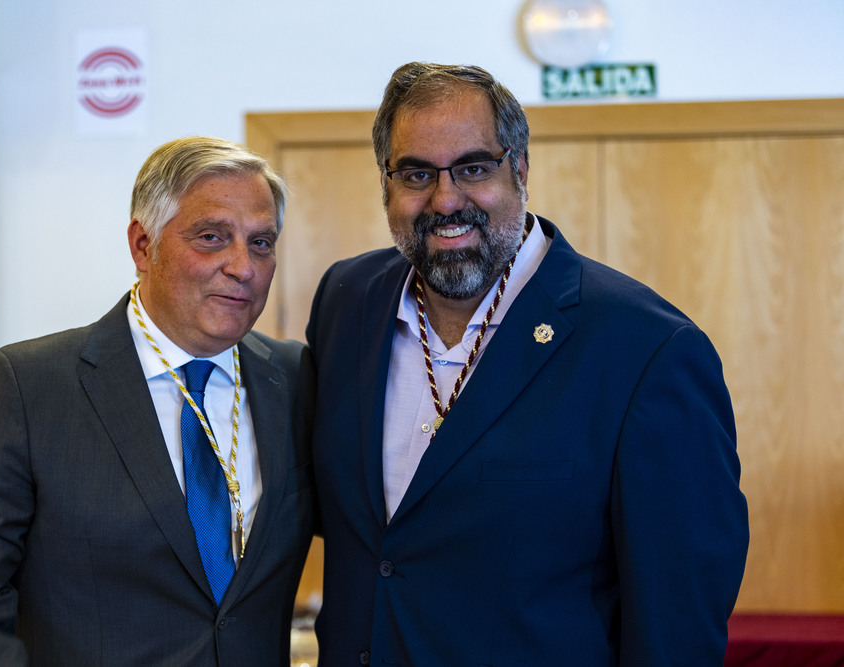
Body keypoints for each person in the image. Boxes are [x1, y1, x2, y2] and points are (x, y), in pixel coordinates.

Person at [306, 62, 749, 666]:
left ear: (519, 168)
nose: (445, 199)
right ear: (387, 184)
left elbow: (678, 620)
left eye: (473, 167)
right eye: (416, 173)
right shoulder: (347, 300)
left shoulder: (646, 350)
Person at [0, 136, 315, 666]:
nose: (243, 266)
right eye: (212, 237)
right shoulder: (27, 387)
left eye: (261, 243)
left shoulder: (295, 379)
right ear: (143, 245)